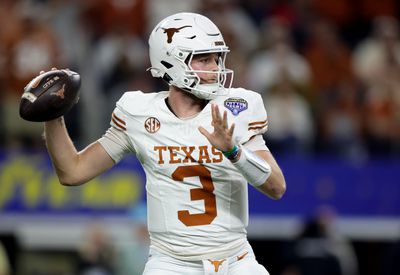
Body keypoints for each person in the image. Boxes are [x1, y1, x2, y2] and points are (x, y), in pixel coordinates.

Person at [42, 12, 286, 275]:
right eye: (204, 59)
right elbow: (72, 171)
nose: (216, 67)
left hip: (236, 260)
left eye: (216, 58)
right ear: (171, 62)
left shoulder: (237, 107)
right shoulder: (138, 113)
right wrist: (52, 116)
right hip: (171, 264)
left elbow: (276, 187)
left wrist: (233, 151)